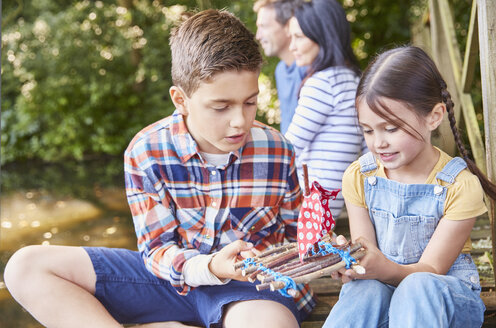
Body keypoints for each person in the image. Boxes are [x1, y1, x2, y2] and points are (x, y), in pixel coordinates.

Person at [4, 10, 315, 328]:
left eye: (250, 102)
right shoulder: (146, 152)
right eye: (221, 107)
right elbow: (156, 250)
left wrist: (320, 254)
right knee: (25, 267)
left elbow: (297, 240)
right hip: (168, 283)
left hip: (251, 289)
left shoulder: (277, 150)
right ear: (180, 99)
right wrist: (209, 267)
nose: (240, 121)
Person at [323, 46, 496, 328]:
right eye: (368, 130)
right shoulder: (359, 176)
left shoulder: (459, 186)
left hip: (441, 299)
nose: (378, 142)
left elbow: (431, 270)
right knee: (363, 290)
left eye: (391, 129)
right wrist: (350, 260)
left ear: (434, 116)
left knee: (417, 286)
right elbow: (367, 250)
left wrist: (379, 267)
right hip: (383, 291)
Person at [285, 0, 367, 218]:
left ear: (322, 35)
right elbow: (368, 149)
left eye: (298, 37)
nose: (291, 46)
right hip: (332, 203)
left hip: (309, 206)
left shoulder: (323, 83)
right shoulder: (355, 80)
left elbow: (287, 150)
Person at [254, 0, 307, 134]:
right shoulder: (281, 70)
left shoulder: (311, 69)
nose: (258, 36)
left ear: (289, 25)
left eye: (263, 26)